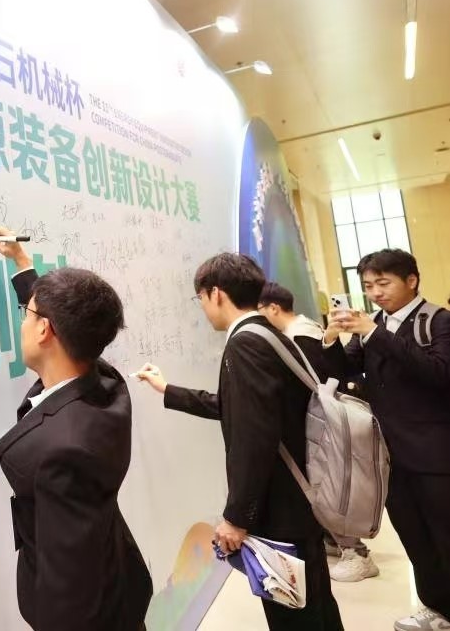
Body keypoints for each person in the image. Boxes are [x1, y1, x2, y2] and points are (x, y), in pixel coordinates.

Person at [134, 254, 342, 630]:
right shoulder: (267, 334)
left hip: (280, 511)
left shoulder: (244, 344)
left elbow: (253, 438)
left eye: (200, 298)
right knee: (316, 608)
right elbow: (241, 409)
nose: (202, 308)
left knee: (297, 617)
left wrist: (236, 518)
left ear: (216, 293)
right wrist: (168, 390)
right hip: (299, 499)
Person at [0, 227, 151, 631]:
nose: (23, 323)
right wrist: (23, 265)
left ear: (45, 330)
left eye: (27, 314)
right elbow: (68, 320)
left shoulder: (64, 451)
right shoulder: (105, 382)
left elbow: (70, 594)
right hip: (118, 582)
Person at [322, 249, 450, 631]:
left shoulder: (437, 321)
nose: (375, 293)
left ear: (411, 280)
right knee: (415, 538)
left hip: (436, 455)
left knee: (446, 535)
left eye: (383, 283)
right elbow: (343, 372)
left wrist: (375, 334)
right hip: (389, 457)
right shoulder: (372, 324)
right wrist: (330, 339)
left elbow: (440, 373)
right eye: (367, 286)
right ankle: (438, 608)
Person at [257, 281, 379, 582]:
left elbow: (316, 383)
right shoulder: (305, 330)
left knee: (327, 487)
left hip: (320, 425)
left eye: (259, 310)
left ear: (273, 308)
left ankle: (356, 553)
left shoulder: (300, 336)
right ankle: (340, 544)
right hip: (321, 423)